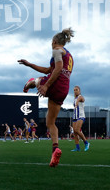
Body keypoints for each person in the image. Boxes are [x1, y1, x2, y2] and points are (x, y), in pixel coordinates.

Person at [19, 27, 75, 167]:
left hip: (55, 83)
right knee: (51, 122)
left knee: (38, 81)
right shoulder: (69, 56)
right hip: (63, 89)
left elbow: (57, 69)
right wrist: (30, 64)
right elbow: (48, 70)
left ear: (54, 41)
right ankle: (55, 149)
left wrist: (46, 85)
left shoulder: (56, 50)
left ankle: (30, 83)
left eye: (51, 41)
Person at [71, 85, 90, 152]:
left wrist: (76, 105)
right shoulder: (75, 98)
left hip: (81, 116)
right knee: (75, 133)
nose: (75, 91)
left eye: (76, 90)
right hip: (75, 116)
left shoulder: (80, 97)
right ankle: (77, 148)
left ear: (79, 91)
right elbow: (76, 101)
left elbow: (80, 100)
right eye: (74, 90)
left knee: (77, 130)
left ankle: (86, 143)